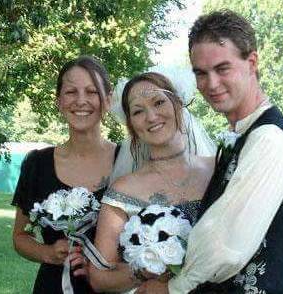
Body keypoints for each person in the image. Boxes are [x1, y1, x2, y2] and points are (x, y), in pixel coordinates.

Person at [136, 10, 283, 294]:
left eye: (222, 68)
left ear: (251, 62)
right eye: (200, 73)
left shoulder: (269, 138)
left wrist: (175, 288)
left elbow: (226, 243)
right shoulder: (244, 135)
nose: (211, 84)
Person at [88, 72, 215, 293]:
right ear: (131, 125)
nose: (151, 116)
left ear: (178, 103)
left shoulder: (218, 169)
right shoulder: (122, 190)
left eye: (158, 102)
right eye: (138, 111)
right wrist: (145, 268)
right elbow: (99, 278)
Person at [11, 55, 120, 294]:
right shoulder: (37, 164)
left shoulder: (128, 159)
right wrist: (47, 253)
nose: (81, 101)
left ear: (108, 100)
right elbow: (20, 236)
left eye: (92, 92)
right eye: (71, 92)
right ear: (58, 101)